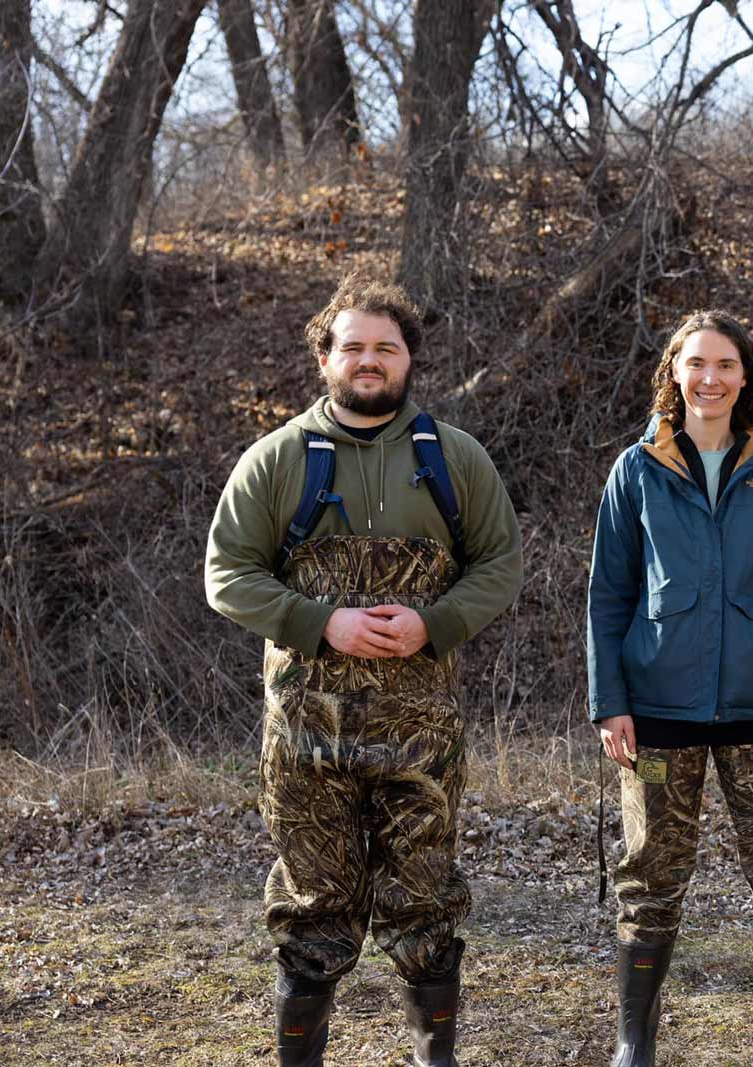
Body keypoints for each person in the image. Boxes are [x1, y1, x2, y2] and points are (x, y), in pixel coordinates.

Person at [205, 276, 523, 1067]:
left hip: (423, 732)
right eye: (353, 346)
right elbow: (227, 573)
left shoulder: (455, 459)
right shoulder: (278, 459)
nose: (369, 360)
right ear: (325, 358)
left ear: (410, 357)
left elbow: (500, 565)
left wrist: (433, 621)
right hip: (307, 737)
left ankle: (434, 1059)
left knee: (426, 902)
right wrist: (324, 623)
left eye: (386, 346)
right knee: (313, 910)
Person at [586, 309, 753, 1067]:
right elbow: (608, 595)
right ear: (674, 372)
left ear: (746, 378)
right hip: (657, 714)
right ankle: (633, 1042)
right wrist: (609, 700)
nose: (710, 378)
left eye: (726, 365)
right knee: (650, 875)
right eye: (696, 363)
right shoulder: (637, 468)